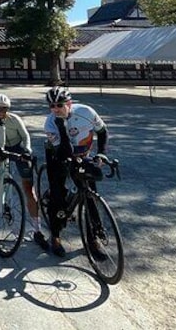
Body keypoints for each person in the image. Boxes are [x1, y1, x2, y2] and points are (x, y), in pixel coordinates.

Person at [42, 86, 109, 257]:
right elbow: (64, 152)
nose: (55, 109)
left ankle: (93, 239)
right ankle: (55, 236)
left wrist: (101, 153)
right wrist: (62, 126)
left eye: (59, 105)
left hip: (82, 154)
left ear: (69, 103)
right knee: (58, 195)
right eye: (52, 106)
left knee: (90, 195)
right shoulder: (50, 123)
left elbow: (102, 132)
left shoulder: (86, 112)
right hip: (57, 155)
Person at [0, 93, 48, 250]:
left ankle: (37, 229)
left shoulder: (15, 119)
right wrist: (1, 127)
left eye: (4, 109)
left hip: (18, 147)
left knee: (28, 189)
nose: (0, 112)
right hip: (0, 147)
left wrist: (27, 150)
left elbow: (25, 136)